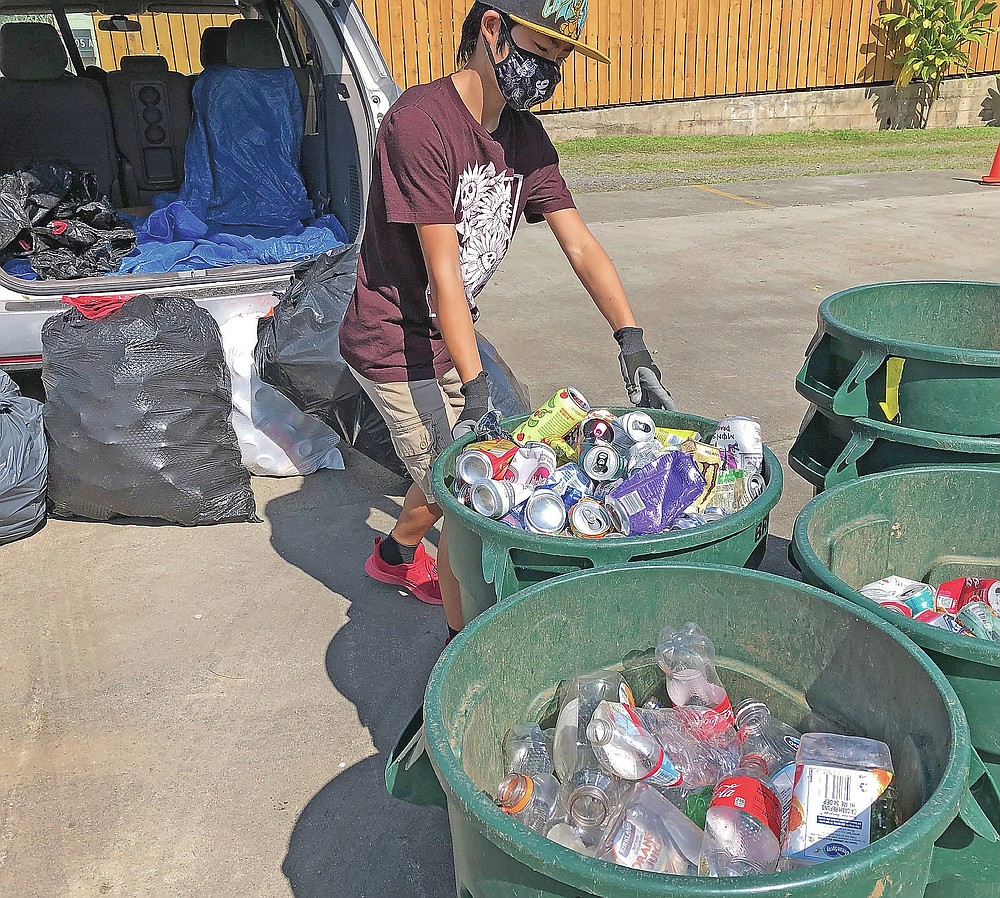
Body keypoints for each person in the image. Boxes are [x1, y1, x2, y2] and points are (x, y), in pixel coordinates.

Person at [339, 1, 673, 639]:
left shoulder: (522, 134)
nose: (547, 71)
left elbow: (579, 243)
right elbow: (441, 275)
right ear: (491, 29)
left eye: (559, 58)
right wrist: (475, 387)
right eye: (538, 50)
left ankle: (394, 554)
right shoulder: (420, 123)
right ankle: (467, 653)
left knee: (460, 460)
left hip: (451, 327)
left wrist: (633, 343)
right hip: (394, 338)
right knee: (468, 492)